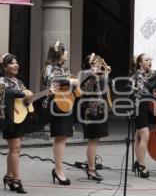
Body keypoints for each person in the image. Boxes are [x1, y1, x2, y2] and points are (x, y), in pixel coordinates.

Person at [41, 41, 79, 185]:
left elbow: (71, 83)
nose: (67, 53)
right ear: (59, 54)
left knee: (63, 137)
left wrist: (74, 82)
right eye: (65, 51)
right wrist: (71, 82)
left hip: (66, 103)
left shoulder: (65, 69)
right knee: (60, 136)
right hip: (56, 104)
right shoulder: (49, 68)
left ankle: (58, 169)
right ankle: (58, 170)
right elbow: (51, 81)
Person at [129, 53, 156, 178]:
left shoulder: (152, 73)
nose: (150, 61)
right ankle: (141, 164)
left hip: (147, 106)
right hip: (138, 106)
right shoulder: (137, 75)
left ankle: (137, 162)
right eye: (146, 59)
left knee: (139, 136)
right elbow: (142, 93)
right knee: (144, 135)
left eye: (150, 59)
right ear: (140, 63)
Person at [0, 53, 34, 193]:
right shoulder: (2, 81)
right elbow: (10, 93)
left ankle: (9, 177)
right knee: (15, 147)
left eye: (16, 62)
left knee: (15, 149)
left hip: (19, 117)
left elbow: (25, 99)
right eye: (12, 63)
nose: (16, 65)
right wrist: (24, 94)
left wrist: (31, 98)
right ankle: (16, 180)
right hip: (8, 118)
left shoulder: (19, 82)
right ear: (4, 66)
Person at [79, 53, 111, 181]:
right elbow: (85, 90)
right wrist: (95, 75)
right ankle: (91, 170)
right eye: (96, 61)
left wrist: (106, 74)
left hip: (99, 110)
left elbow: (104, 89)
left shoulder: (98, 73)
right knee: (93, 139)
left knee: (95, 139)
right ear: (91, 63)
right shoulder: (86, 74)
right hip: (90, 111)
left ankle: (91, 167)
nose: (99, 62)